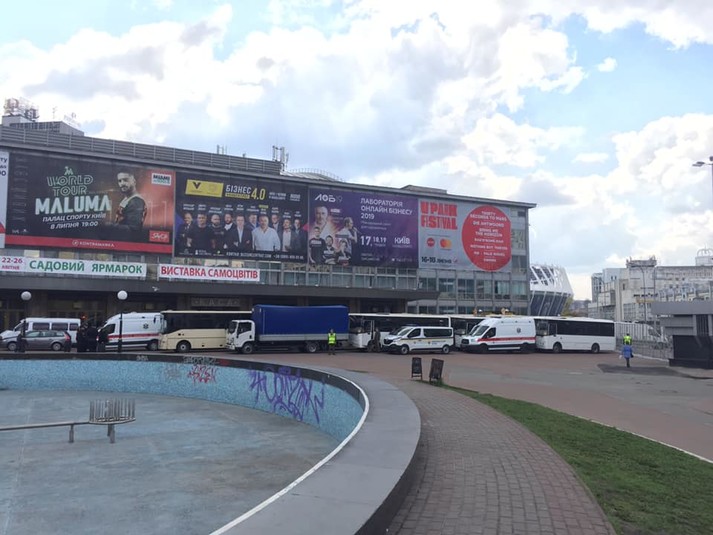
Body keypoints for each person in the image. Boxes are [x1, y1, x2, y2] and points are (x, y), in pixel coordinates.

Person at [113, 170, 147, 235]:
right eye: (119, 181)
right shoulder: (128, 198)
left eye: (125, 180)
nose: (122, 183)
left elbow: (133, 230)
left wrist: (109, 227)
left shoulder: (136, 201)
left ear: (134, 182)